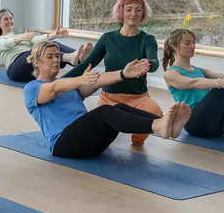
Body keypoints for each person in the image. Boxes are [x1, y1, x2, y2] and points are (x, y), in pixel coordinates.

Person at [24, 40, 190, 159]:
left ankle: (166, 125)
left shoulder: (69, 86)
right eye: (50, 57)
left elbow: (99, 80)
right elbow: (54, 88)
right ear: (37, 62)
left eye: (57, 56)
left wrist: (123, 73)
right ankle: (158, 126)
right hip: (64, 145)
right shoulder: (32, 88)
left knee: (119, 107)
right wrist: (80, 79)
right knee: (104, 111)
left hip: (90, 141)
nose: (56, 60)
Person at [63, 0, 162, 146]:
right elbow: (87, 64)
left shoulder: (147, 40)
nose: (133, 14)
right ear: (121, 12)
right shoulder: (107, 38)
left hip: (137, 98)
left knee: (155, 113)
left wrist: (148, 63)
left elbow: (154, 62)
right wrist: (61, 81)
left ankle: (137, 138)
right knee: (95, 138)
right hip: (108, 98)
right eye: (129, 9)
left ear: (143, 13)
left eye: (138, 9)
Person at [0, 8, 92, 83]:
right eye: (6, 19)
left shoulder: (21, 35)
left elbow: (37, 39)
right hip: (15, 70)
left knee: (52, 45)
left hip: (32, 68)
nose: (9, 21)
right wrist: (21, 38)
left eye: (11, 18)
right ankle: (69, 58)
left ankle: (79, 57)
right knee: (36, 51)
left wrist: (54, 35)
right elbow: (5, 44)